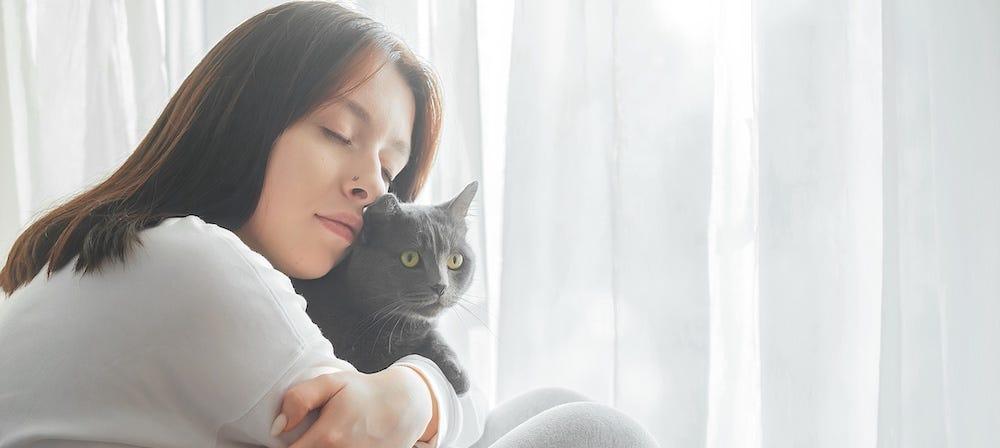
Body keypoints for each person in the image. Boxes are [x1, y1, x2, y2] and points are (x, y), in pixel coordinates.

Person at [0, 1, 660, 447]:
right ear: (242, 119)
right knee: (589, 428)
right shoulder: (196, 269)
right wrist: (412, 398)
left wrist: (413, 393)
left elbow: (460, 407)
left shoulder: (126, 255)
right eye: (338, 132)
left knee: (547, 402)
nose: (372, 186)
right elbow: (382, 426)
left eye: (391, 168)